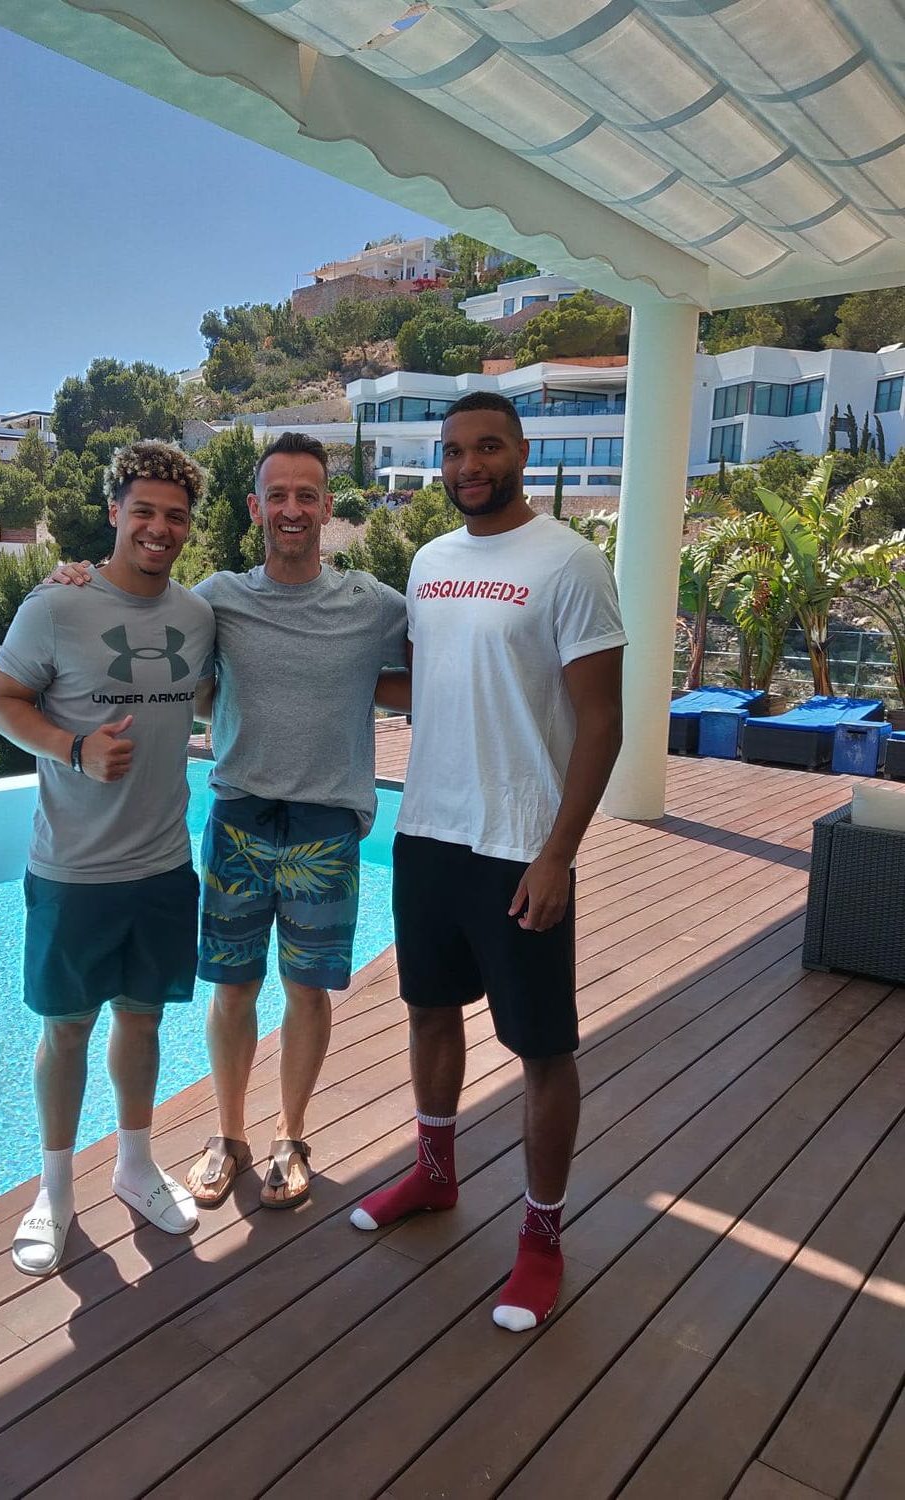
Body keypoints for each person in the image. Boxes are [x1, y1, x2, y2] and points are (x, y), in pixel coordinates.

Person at [48, 432, 408, 1211]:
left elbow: (431, 665)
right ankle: (229, 1135)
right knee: (233, 988)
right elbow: (142, 612)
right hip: (240, 814)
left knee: (306, 990)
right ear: (254, 507)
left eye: (305, 495)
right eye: (276, 495)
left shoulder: (371, 605)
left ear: (327, 507)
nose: (291, 509)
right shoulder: (216, 598)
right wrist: (74, 578)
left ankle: (290, 1137)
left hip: (324, 825)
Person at [350, 391, 626, 1334]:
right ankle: (434, 1173)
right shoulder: (429, 562)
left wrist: (559, 855)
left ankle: (541, 1239)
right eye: (453, 451)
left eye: (487, 447)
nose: (468, 465)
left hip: (519, 843)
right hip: (428, 827)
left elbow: (601, 720)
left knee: (541, 1049)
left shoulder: (569, 562)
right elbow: (425, 684)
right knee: (429, 1011)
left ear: (520, 453)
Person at [0, 439, 215, 1276]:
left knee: (143, 1019)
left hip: (162, 865)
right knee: (67, 1028)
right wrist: (72, 749)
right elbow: (3, 701)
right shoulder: (57, 605)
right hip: (73, 869)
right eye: (143, 510)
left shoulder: (197, 616)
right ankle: (54, 1191)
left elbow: (216, 693)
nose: (159, 528)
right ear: (115, 512)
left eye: (174, 516)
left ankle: (133, 1165)